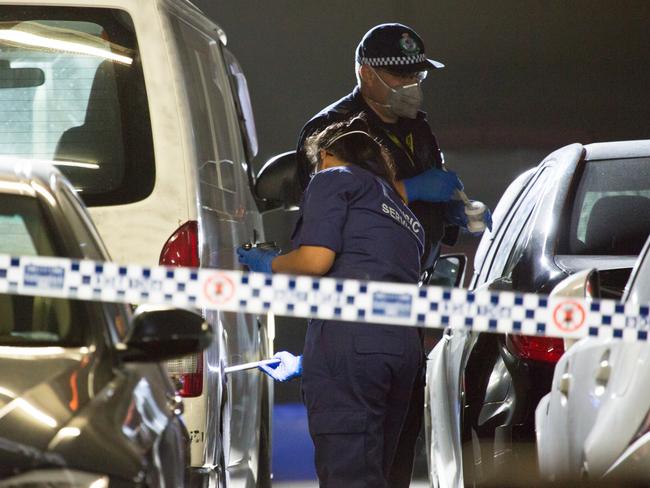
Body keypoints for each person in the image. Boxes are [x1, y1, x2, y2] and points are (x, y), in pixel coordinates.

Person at [294, 23, 491, 487]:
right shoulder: (331, 131)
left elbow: (430, 194)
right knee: (355, 458)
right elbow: (335, 202)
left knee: (396, 456)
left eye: (417, 77)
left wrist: (452, 210)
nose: (411, 87)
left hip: (406, 311)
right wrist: (412, 188)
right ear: (366, 74)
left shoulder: (416, 130)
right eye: (400, 78)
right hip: (353, 310)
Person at [238, 116, 426, 487]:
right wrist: (309, 362)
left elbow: (315, 260)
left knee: (349, 478)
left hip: (352, 345)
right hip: (402, 350)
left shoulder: (334, 178)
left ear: (324, 155)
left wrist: (270, 265)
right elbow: (369, 286)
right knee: (377, 476)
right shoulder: (405, 215)